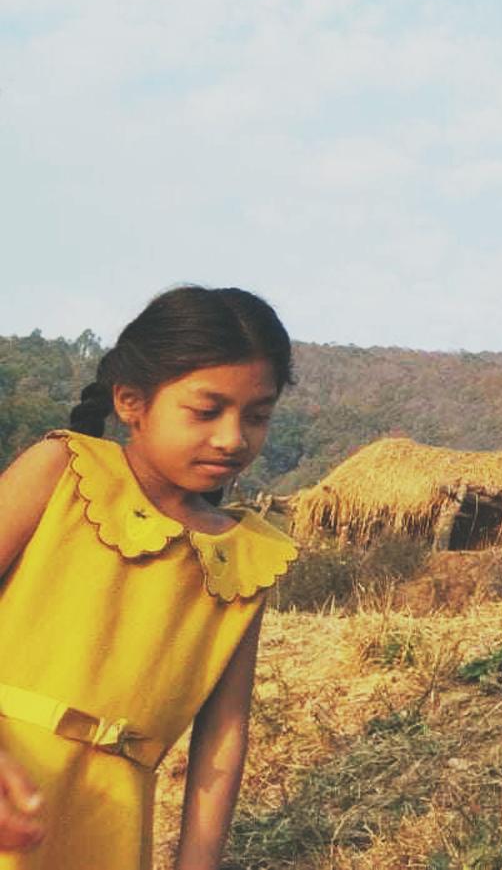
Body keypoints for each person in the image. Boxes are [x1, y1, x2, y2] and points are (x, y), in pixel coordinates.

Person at [0, 286, 298, 870]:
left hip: (109, 826)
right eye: (206, 411)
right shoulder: (62, 472)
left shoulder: (249, 557)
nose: (233, 438)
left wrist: (196, 863)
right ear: (131, 401)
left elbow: (224, 734)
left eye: (257, 416)